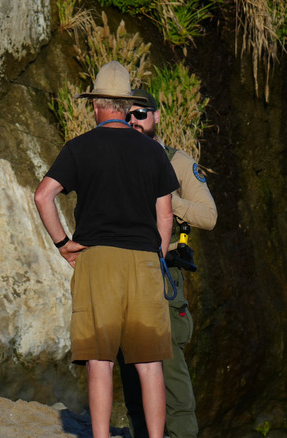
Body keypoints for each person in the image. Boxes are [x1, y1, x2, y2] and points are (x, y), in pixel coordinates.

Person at [34, 61, 180, 438]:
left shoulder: (80, 147)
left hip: (97, 259)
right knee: (149, 364)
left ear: (97, 104)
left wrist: (64, 244)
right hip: (146, 261)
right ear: (127, 106)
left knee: (100, 361)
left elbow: (43, 195)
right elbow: (165, 216)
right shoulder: (153, 151)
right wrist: (158, 257)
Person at [118, 89, 217, 438]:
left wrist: (168, 198)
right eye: (127, 114)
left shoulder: (177, 162)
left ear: (156, 117)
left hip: (164, 274)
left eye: (141, 114)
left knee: (169, 368)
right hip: (122, 270)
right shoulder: (113, 158)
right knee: (130, 367)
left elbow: (208, 216)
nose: (134, 121)